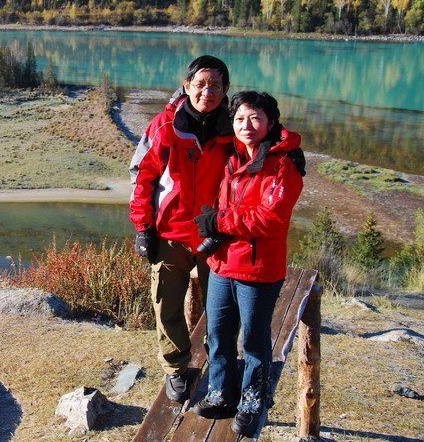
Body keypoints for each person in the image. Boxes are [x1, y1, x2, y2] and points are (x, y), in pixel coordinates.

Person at [191, 91, 305, 437]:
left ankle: (253, 400)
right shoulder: (233, 157)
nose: (246, 125)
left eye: (255, 118)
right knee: (219, 333)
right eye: (240, 118)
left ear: (271, 121)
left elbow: (269, 219)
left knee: (255, 342)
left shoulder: (283, 165)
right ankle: (221, 391)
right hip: (223, 265)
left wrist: (220, 222)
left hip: (258, 270)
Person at [129, 55, 234, 403]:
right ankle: (176, 368)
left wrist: (287, 152)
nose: (208, 91)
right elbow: (141, 178)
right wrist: (143, 228)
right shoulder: (164, 126)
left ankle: (220, 363)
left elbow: (265, 137)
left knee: (220, 307)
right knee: (167, 305)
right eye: (201, 83)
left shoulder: (233, 129)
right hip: (170, 234)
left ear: (226, 90)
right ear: (187, 86)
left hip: (215, 236)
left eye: (216, 85)